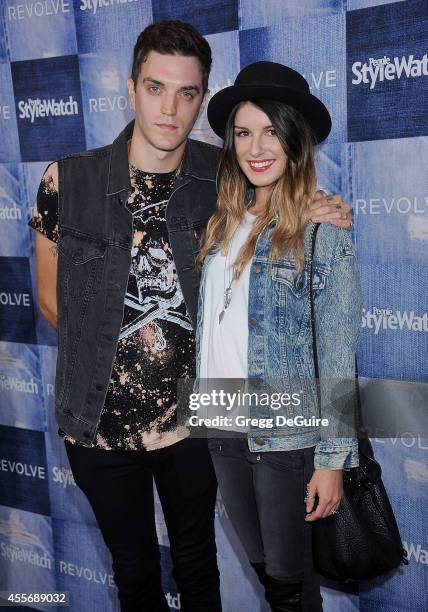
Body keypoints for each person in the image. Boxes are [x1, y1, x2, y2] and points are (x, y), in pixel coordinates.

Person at [29, 19, 354, 612]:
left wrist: (319, 205)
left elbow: (276, 192)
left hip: (199, 424)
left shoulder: (222, 171)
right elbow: (52, 303)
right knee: (133, 572)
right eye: (156, 88)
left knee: (199, 563)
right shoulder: (65, 180)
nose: (169, 109)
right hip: (97, 423)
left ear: (202, 99)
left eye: (187, 93)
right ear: (130, 88)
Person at [194, 61, 362, 612]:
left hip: (283, 428)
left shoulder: (319, 229)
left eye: (271, 130)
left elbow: (338, 351)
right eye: (243, 132)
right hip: (221, 420)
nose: (255, 146)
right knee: (268, 572)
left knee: (290, 580)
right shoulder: (222, 222)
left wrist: (333, 458)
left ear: (296, 138)